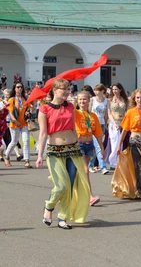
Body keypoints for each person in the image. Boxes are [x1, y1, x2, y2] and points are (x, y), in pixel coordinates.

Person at [37, 79, 91, 229]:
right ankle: (49, 206)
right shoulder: (44, 109)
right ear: (55, 90)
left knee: (70, 185)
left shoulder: (71, 107)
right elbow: (42, 134)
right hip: (55, 151)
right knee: (61, 186)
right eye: (64, 89)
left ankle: (62, 217)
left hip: (72, 149)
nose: (67, 92)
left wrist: (78, 149)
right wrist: (40, 155)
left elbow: (73, 128)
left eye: (68, 89)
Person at [74, 91, 105, 206]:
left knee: (82, 171)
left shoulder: (93, 116)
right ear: (77, 101)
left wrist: (101, 148)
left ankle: (77, 192)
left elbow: (98, 134)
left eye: (84, 99)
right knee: (86, 169)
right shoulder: (76, 113)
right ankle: (90, 196)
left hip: (89, 144)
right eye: (80, 99)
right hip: (79, 144)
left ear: (89, 101)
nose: (82, 101)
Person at [3, 81, 31, 168]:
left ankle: (27, 160)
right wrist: (15, 121)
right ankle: (7, 156)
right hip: (14, 124)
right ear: (14, 89)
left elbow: (29, 109)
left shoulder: (25, 99)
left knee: (26, 141)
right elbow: (10, 113)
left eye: (21, 87)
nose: (20, 88)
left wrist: (28, 113)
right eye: (18, 87)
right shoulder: (11, 100)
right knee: (14, 142)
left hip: (24, 124)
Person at [106, 83, 127, 169]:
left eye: (116, 89)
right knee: (115, 143)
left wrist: (125, 123)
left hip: (122, 123)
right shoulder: (110, 100)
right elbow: (109, 113)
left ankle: (119, 161)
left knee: (121, 143)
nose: (114, 91)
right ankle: (112, 162)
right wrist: (114, 123)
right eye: (113, 89)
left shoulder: (125, 100)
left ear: (120, 90)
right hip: (113, 123)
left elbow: (127, 112)